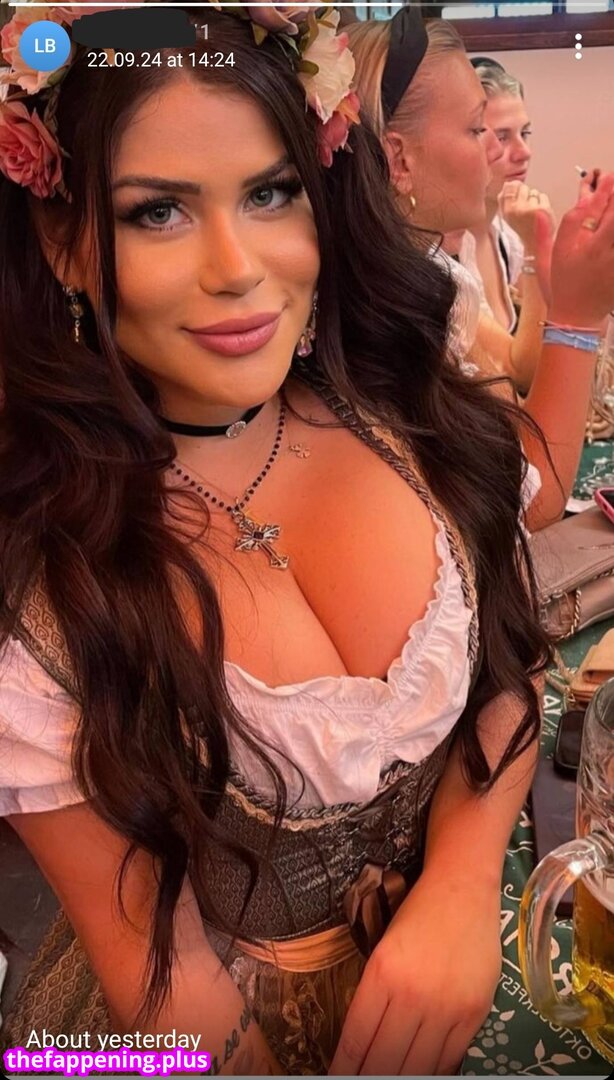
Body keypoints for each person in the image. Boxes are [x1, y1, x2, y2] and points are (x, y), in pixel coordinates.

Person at [0, 4, 612, 1075]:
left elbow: (505, 661)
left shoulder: (406, 416)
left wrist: (461, 883)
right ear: (63, 242)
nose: (237, 267)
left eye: (269, 193)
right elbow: (163, 983)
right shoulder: (41, 579)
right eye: (157, 211)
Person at [348, 10, 613, 530]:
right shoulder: (390, 303)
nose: (498, 151)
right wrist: (578, 318)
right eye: (477, 129)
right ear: (398, 160)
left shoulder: (435, 272)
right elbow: (529, 497)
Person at [458, 57, 554, 391]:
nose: (524, 152)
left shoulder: (505, 232)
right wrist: (537, 247)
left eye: (524, 133)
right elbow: (522, 372)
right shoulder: (442, 254)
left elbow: (547, 324)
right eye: (502, 137)